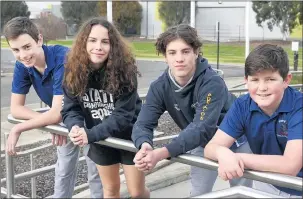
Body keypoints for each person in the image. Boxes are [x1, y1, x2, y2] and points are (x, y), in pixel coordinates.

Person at [131, 24, 252, 197]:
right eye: (172, 52)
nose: (179, 58)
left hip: (236, 140)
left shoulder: (212, 82)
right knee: (199, 193)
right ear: (165, 56)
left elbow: (201, 127)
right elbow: (143, 123)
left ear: (196, 52)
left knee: (241, 193)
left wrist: (162, 153)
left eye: (185, 51)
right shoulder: (160, 87)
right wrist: (144, 145)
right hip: (201, 144)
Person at [3, 17, 103, 198]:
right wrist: (49, 121)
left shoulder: (63, 58)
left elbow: (56, 112)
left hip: (93, 115)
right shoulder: (23, 66)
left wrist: (20, 127)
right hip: (67, 118)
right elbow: (16, 108)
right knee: (63, 170)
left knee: (95, 171)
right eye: (15, 50)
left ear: (39, 39)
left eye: (27, 47)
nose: (23, 55)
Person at [61, 17, 150, 198]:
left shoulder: (125, 72)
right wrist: (75, 126)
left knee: (137, 191)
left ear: (113, 46)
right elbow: (71, 108)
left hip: (129, 136)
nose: (98, 47)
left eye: (105, 42)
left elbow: (123, 116)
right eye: (92, 40)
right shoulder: (73, 71)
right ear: (83, 43)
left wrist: (90, 135)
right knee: (109, 189)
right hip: (100, 139)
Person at [204, 44, 302, 197]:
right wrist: (222, 153)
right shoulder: (243, 105)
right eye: (255, 80)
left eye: (270, 79)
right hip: (268, 181)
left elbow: (291, 165)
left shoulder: (299, 106)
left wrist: (235, 158)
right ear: (246, 81)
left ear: (286, 80)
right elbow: (210, 148)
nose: (262, 87)